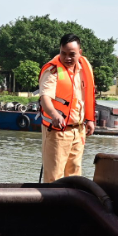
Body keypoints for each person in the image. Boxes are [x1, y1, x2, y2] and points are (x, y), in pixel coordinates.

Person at [39, 34, 96, 183]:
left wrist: (90, 119)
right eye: (63, 53)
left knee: (75, 175)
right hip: (57, 131)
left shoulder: (84, 68)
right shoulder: (53, 71)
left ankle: (71, 199)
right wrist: (54, 114)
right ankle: (52, 199)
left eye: (72, 54)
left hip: (78, 130)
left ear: (80, 52)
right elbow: (45, 98)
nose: (67, 58)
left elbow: (85, 97)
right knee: (54, 176)